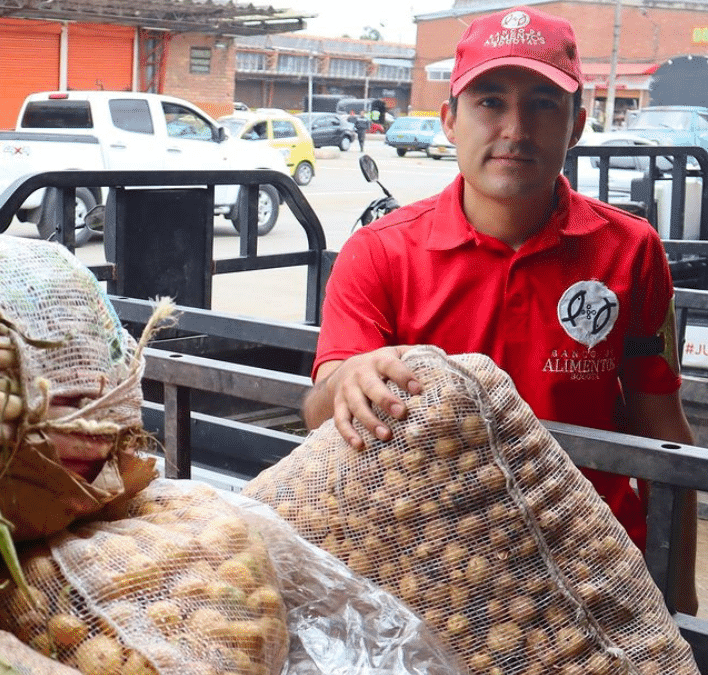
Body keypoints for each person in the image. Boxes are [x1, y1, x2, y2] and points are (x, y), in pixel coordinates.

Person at [300, 5, 699, 614]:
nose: (515, 129)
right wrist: (349, 381)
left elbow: (660, 421)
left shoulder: (630, 250)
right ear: (449, 121)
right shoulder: (379, 253)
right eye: (490, 101)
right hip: (433, 566)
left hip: (593, 564)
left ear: (578, 126)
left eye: (544, 103)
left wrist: (679, 596)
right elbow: (325, 403)